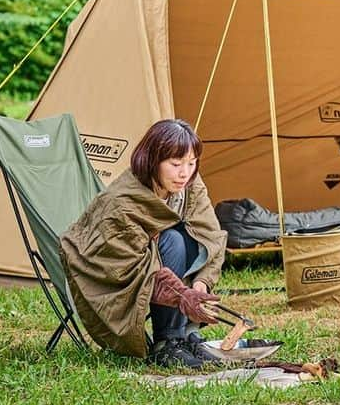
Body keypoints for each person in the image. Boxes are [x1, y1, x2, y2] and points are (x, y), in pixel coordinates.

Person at [60, 118, 236, 370]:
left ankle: (184, 334)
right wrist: (182, 295)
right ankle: (168, 342)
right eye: (175, 164)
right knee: (174, 240)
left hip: (155, 264)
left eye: (191, 162)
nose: (185, 172)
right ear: (153, 161)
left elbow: (210, 235)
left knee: (190, 237)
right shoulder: (122, 202)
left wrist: (201, 285)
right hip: (101, 269)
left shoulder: (190, 184)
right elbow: (123, 266)